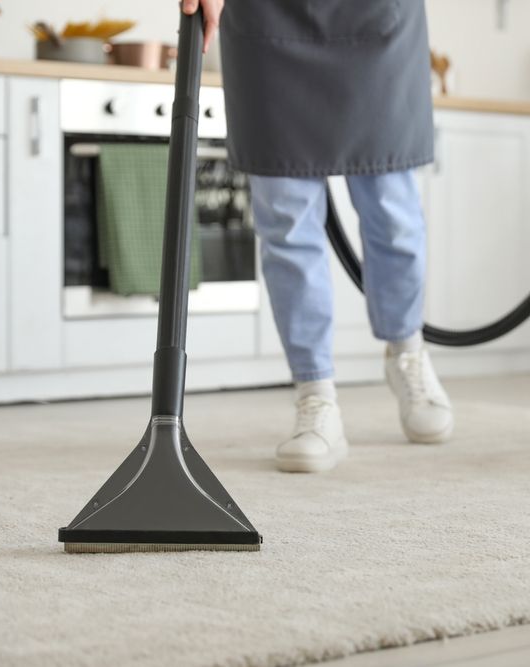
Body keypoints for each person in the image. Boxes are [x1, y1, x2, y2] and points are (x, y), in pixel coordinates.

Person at [183, 0, 453, 473]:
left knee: (393, 211)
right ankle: (315, 393)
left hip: (376, 18)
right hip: (266, 20)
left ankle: (407, 353)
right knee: (286, 220)